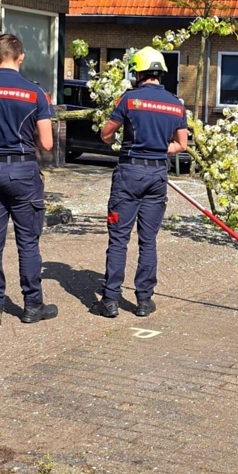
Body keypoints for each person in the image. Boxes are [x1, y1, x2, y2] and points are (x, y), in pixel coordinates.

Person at [0, 34, 57, 326]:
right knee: (28, 242)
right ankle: (32, 306)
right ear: (21, 57)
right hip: (22, 172)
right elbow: (47, 143)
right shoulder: (35, 93)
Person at [91, 47, 189, 319]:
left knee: (119, 238)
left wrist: (115, 142)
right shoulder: (176, 103)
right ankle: (144, 301)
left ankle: (110, 300)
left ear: (138, 73)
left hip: (129, 174)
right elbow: (181, 144)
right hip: (157, 175)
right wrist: (159, 149)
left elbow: (106, 133)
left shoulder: (129, 99)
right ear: (160, 74)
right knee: (148, 240)